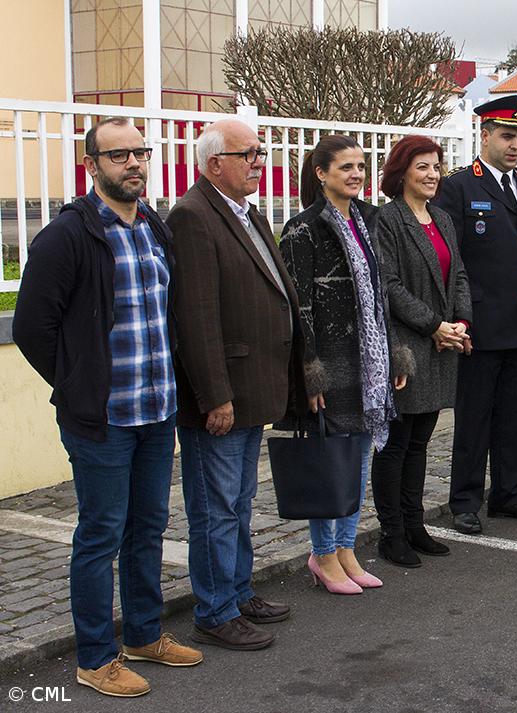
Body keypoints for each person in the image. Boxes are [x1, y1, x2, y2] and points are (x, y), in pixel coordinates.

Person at [13, 117, 202, 697]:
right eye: (118, 156)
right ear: (91, 165)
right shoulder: (67, 235)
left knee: (146, 528)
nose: (134, 164)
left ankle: (145, 633)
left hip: (156, 408)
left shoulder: (153, 227)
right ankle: (95, 657)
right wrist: (77, 385)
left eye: (140, 153)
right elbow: (31, 327)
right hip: (102, 418)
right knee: (100, 533)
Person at [168, 119, 301, 650]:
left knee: (239, 501)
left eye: (260, 153)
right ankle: (215, 609)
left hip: (254, 387)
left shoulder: (246, 213)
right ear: (213, 162)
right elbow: (196, 317)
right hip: (223, 396)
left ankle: (238, 590)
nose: (257, 162)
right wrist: (214, 395)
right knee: (215, 508)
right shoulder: (192, 216)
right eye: (247, 154)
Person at [278, 134, 411, 589]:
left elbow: (380, 295)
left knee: (356, 457)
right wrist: (309, 370)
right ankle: (323, 555)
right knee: (327, 458)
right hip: (331, 361)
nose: (356, 174)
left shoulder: (370, 219)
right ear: (321, 174)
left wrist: (393, 353)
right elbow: (300, 309)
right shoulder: (302, 228)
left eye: (360, 166)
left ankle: (348, 549)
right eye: (345, 167)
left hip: (369, 360)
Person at [434, 94, 517, 534]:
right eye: (507, 136)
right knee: (475, 417)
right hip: (483, 325)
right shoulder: (458, 187)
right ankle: (466, 499)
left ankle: (509, 493)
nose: (515, 145)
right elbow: (453, 261)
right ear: (484, 134)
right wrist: (460, 318)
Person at [372, 134, 471, 565]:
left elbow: (460, 276)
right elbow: (388, 286)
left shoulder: (443, 219)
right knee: (395, 444)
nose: (433, 175)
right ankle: (391, 533)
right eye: (423, 167)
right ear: (402, 172)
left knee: (420, 443)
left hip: (442, 342)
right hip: (408, 344)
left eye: (437, 167)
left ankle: (415, 526)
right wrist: (434, 325)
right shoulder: (387, 220)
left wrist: (461, 322)